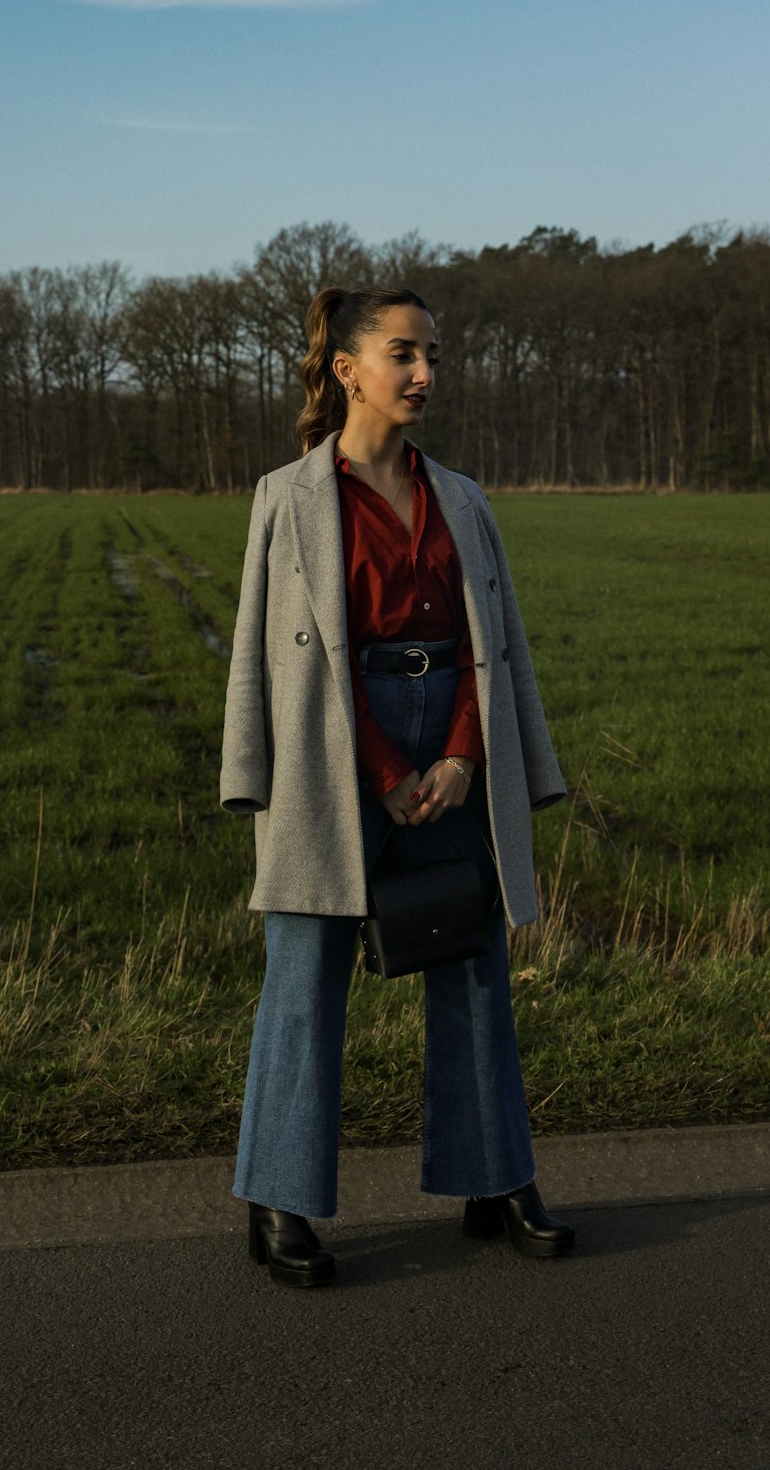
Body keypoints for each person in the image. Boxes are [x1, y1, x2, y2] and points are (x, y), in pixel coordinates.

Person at [220, 285, 574, 1287]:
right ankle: (279, 1200)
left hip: (451, 742)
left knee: (473, 967)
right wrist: (382, 771)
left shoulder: (461, 497)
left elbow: (487, 645)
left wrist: (463, 755)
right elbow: (266, 654)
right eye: (403, 354)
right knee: (304, 972)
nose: (425, 374)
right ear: (346, 370)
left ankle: (495, 1180)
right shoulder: (285, 498)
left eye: (433, 355)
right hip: (336, 750)